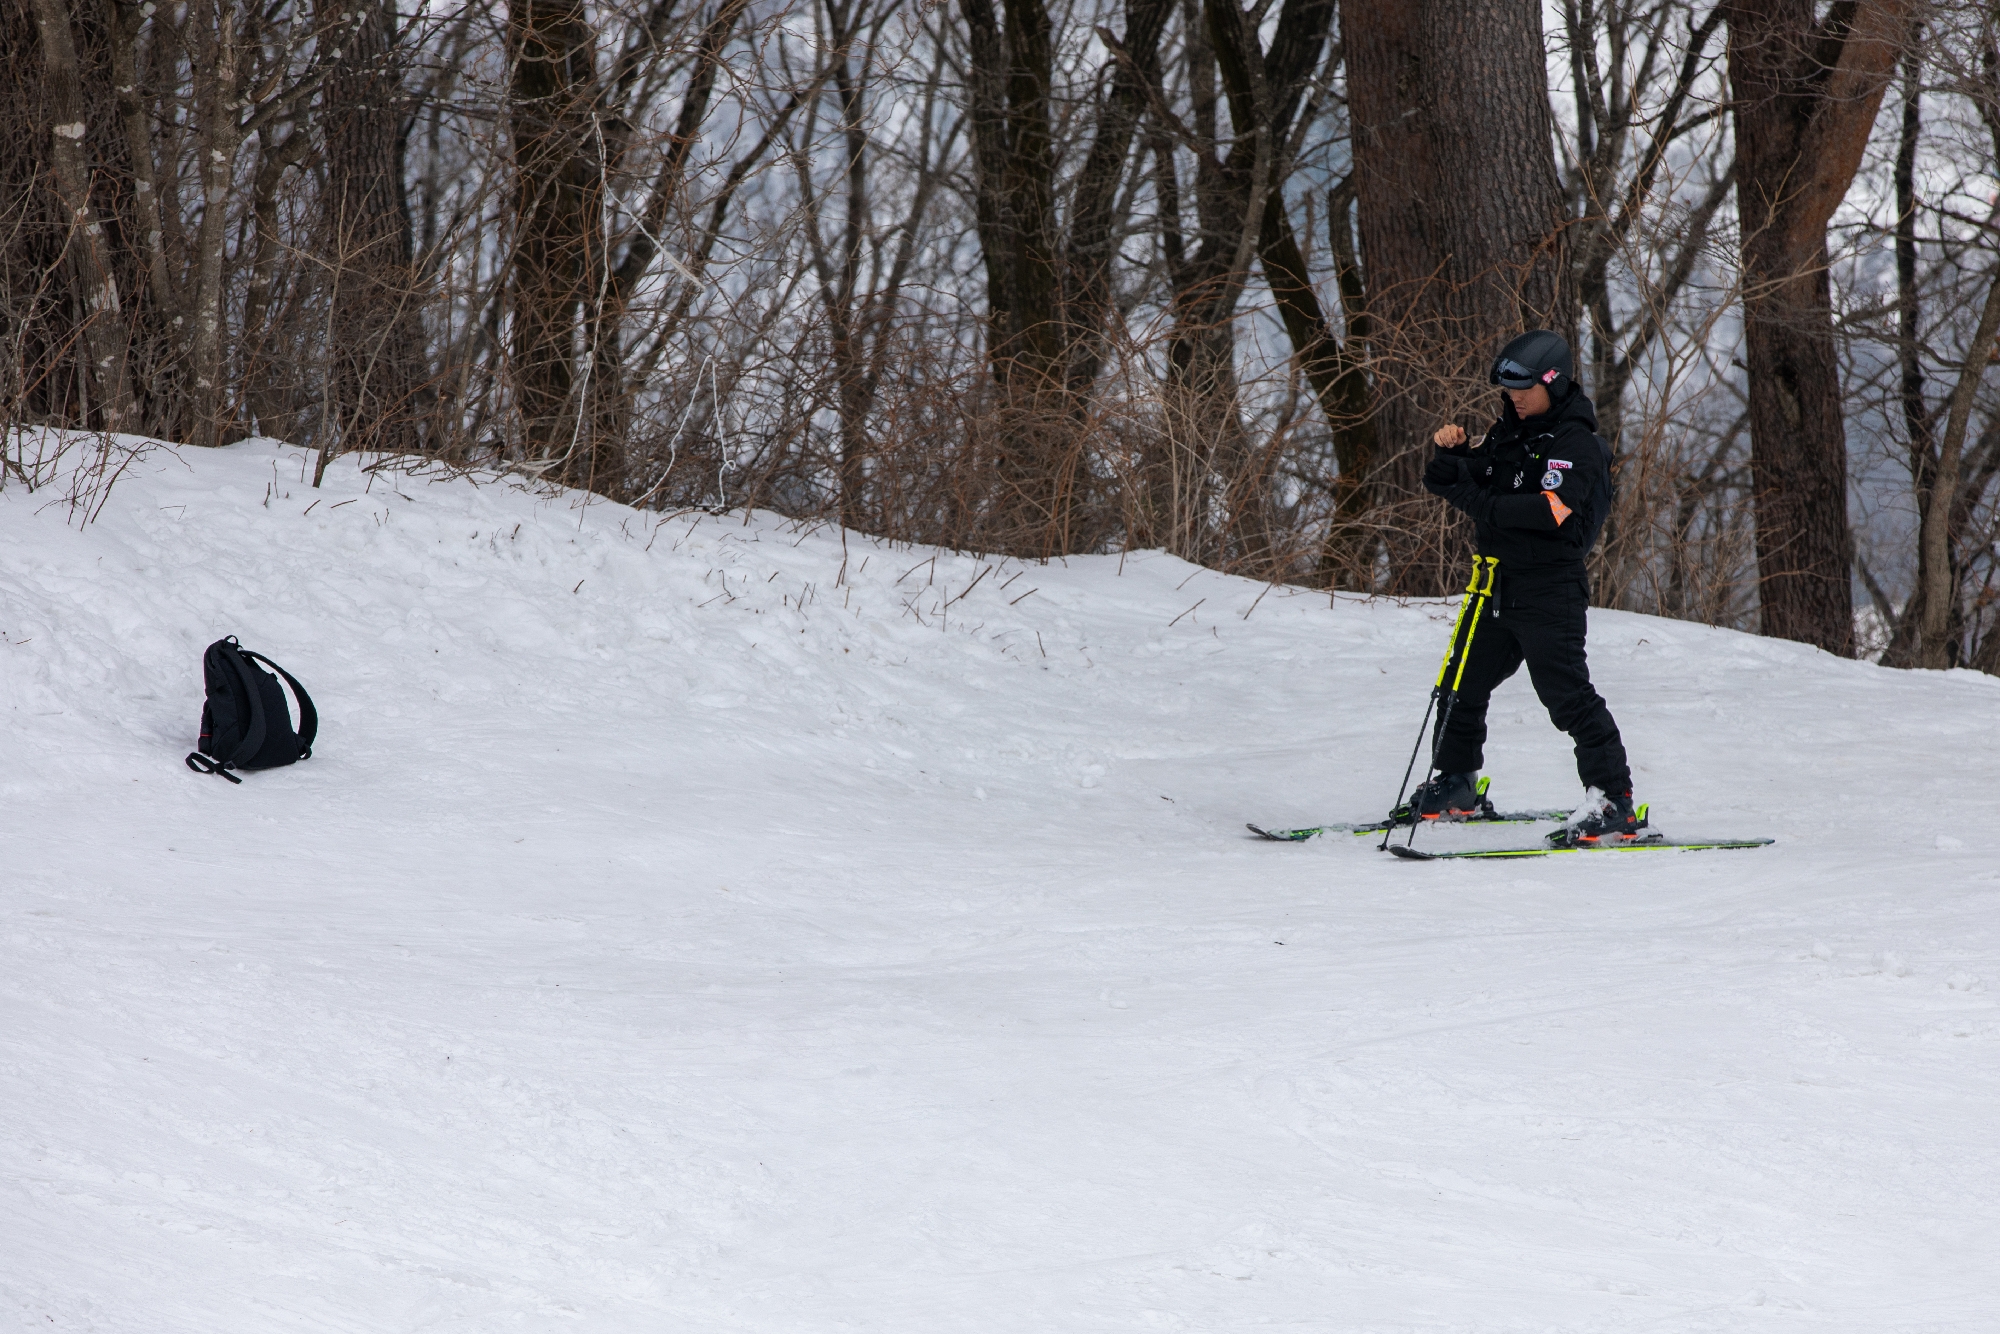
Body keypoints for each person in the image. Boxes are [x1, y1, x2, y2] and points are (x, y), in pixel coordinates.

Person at [1410, 329, 1641, 843]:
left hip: (1548, 590)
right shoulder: (1509, 433)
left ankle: (1613, 801)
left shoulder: (1576, 444)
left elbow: (1550, 512)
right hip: (1495, 584)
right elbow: (1459, 479)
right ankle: (1457, 783)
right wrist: (1453, 455)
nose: (1513, 396)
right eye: (1508, 388)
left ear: (1553, 383)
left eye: (1524, 387)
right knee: (1459, 685)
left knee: (1567, 697)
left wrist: (1477, 500)